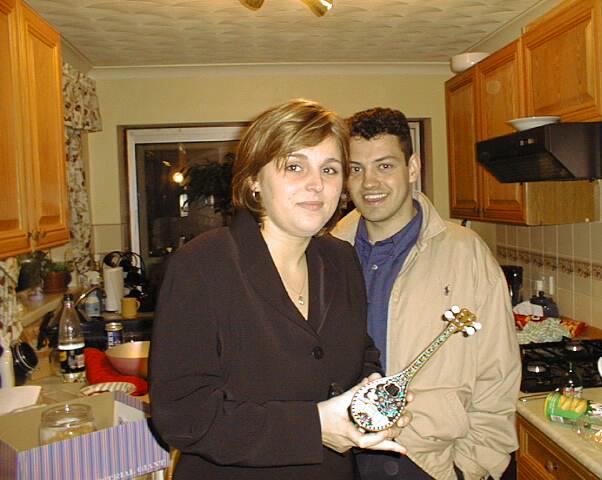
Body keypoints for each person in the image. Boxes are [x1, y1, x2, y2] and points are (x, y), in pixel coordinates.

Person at [150, 99, 409, 480]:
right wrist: (314, 427)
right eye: (294, 166)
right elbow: (182, 415)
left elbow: (362, 355)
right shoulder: (203, 265)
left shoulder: (341, 259)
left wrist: (370, 401)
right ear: (254, 180)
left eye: (329, 169)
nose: (316, 184)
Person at [332, 107, 521, 480]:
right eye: (356, 169)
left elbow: (498, 371)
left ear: (412, 168)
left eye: (385, 166)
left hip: (428, 460)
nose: (369, 183)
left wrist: (470, 466)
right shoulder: (327, 252)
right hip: (343, 455)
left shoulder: (465, 253)